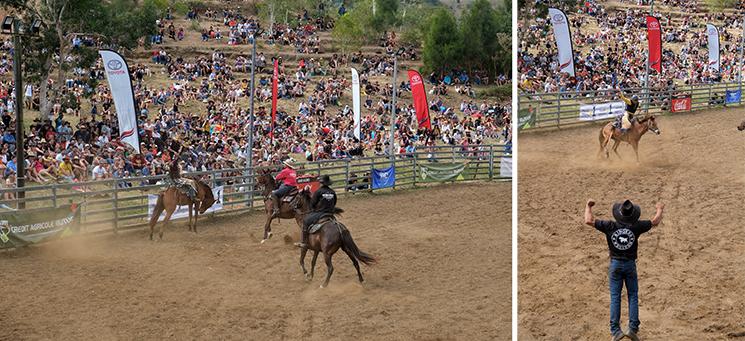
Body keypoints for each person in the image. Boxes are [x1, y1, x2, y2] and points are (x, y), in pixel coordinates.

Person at [584, 199, 665, 341]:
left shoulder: (610, 226)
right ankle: (632, 328)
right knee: (633, 295)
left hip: (615, 264)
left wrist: (588, 206)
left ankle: (615, 330)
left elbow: (588, 220)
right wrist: (659, 209)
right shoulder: (636, 226)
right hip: (630, 265)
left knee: (615, 296)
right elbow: (655, 222)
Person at [297, 175, 336, 249]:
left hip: (321, 213)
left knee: (305, 221)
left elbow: (312, 204)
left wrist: (315, 209)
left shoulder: (319, 191)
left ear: (321, 183)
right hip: (330, 213)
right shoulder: (332, 192)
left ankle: (304, 242)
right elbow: (334, 203)